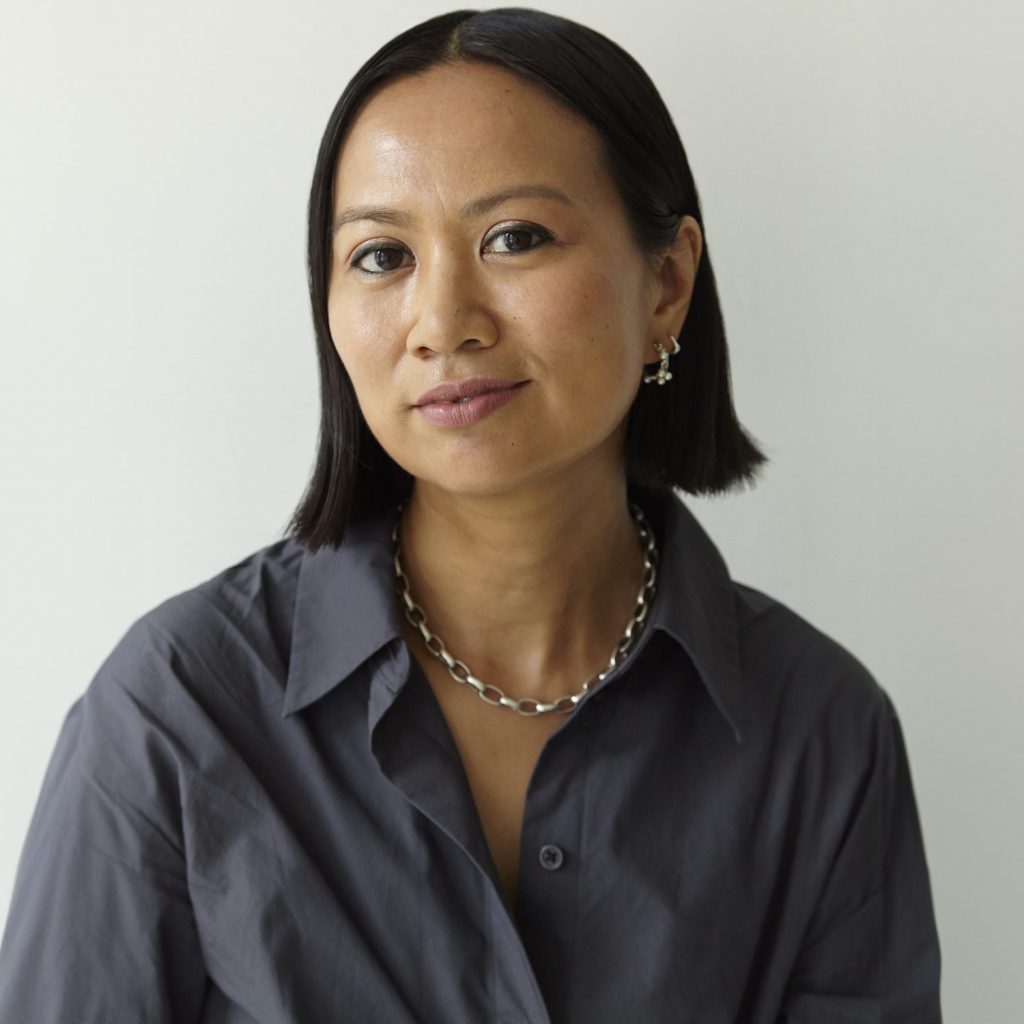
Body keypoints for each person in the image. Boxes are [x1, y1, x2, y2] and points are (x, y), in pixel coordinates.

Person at [0, 8, 942, 1023]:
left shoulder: (821, 733)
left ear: (666, 284)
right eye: (380, 256)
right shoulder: (177, 710)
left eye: (514, 238)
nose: (443, 322)